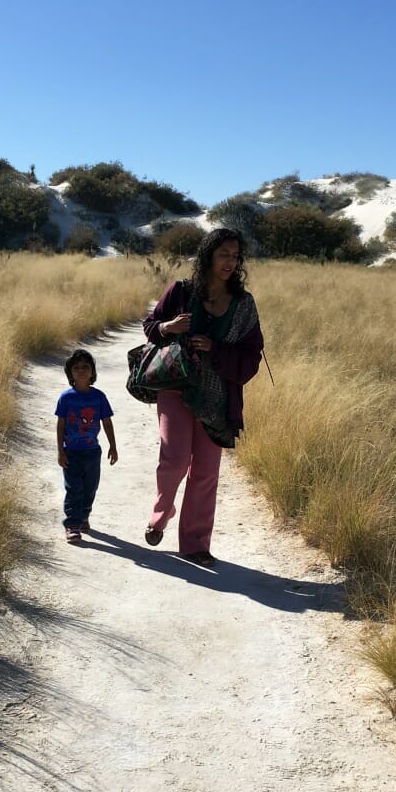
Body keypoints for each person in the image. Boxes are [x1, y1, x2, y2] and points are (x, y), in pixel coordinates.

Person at [142, 226, 264, 566]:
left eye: (235, 256)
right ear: (209, 255)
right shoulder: (182, 291)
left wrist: (216, 350)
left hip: (217, 396)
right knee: (175, 459)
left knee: (206, 471)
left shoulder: (243, 304)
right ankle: (161, 514)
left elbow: (252, 353)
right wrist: (168, 328)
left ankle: (195, 543)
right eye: (223, 254)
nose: (230, 261)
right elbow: (151, 325)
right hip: (175, 385)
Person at [55, 348, 118, 543]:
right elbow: (61, 425)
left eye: (85, 367)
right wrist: (60, 451)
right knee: (74, 488)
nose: (81, 371)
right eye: (76, 368)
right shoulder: (66, 398)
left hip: (92, 452)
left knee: (90, 488)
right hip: (71, 452)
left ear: (92, 372)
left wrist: (113, 446)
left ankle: (84, 517)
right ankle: (72, 525)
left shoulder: (98, 397)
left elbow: (107, 422)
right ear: (70, 373)